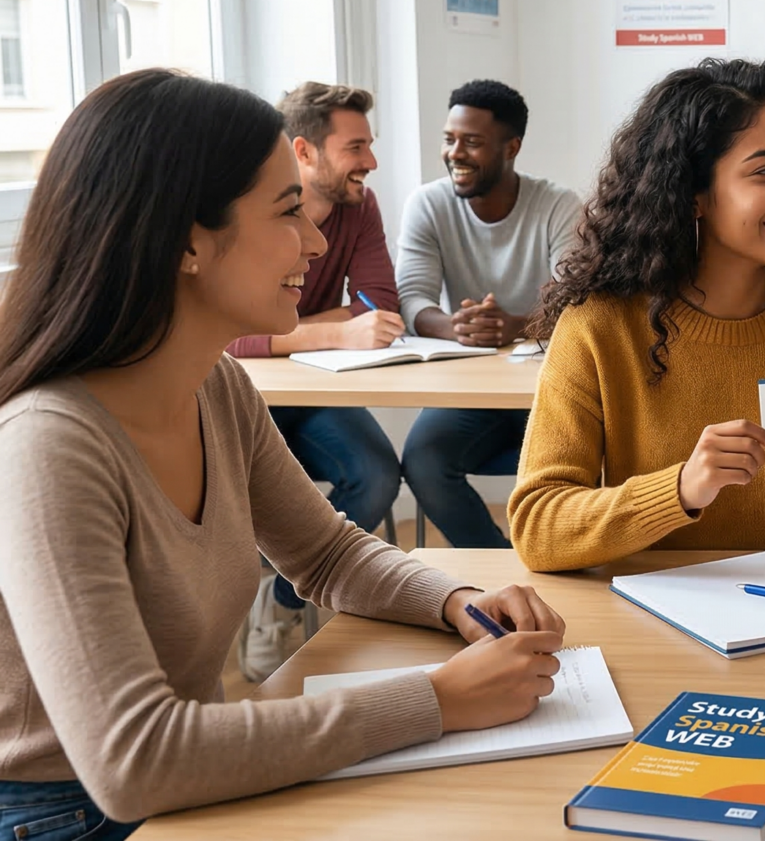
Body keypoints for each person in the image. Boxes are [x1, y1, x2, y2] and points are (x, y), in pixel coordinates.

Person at [0, 69, 567, 839]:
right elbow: (134, 758)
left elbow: (328, 553)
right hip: (71, 815)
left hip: (197, 771)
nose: (317, 239)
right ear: (187, 243)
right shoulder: (48, 443)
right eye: (287, 210)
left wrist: (454, 599)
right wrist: (438, 698)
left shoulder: (218, 386)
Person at [507, 59, 765, 571]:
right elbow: (538, 529)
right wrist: (683, 489)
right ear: (692, 195)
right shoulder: (599, 325)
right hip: (652, 626)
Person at [224, 81, 407, 679]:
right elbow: (231, 334)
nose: (371, 162)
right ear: (305, 151)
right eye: (356, 147)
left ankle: (277, 601)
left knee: (377, 476)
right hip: (253, 393)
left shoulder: (362, 207)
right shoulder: (249, 210)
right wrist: (332, 330)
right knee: (245, 498)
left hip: (319, 391)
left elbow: (379, 309)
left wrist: (293, 329)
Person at [397, 80, 582, 548]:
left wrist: (516, 325)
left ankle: (562, 564)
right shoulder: (427, 204)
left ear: (511, 147)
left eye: (472, 142)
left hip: (549, 387)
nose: (455, 153)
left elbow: (574, 301)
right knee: (423, 460)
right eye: (449, 139)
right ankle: (501, 570)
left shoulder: (558, 205)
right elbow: (412, 298)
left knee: (588, 463)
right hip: (473, 389)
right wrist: (454, 327)